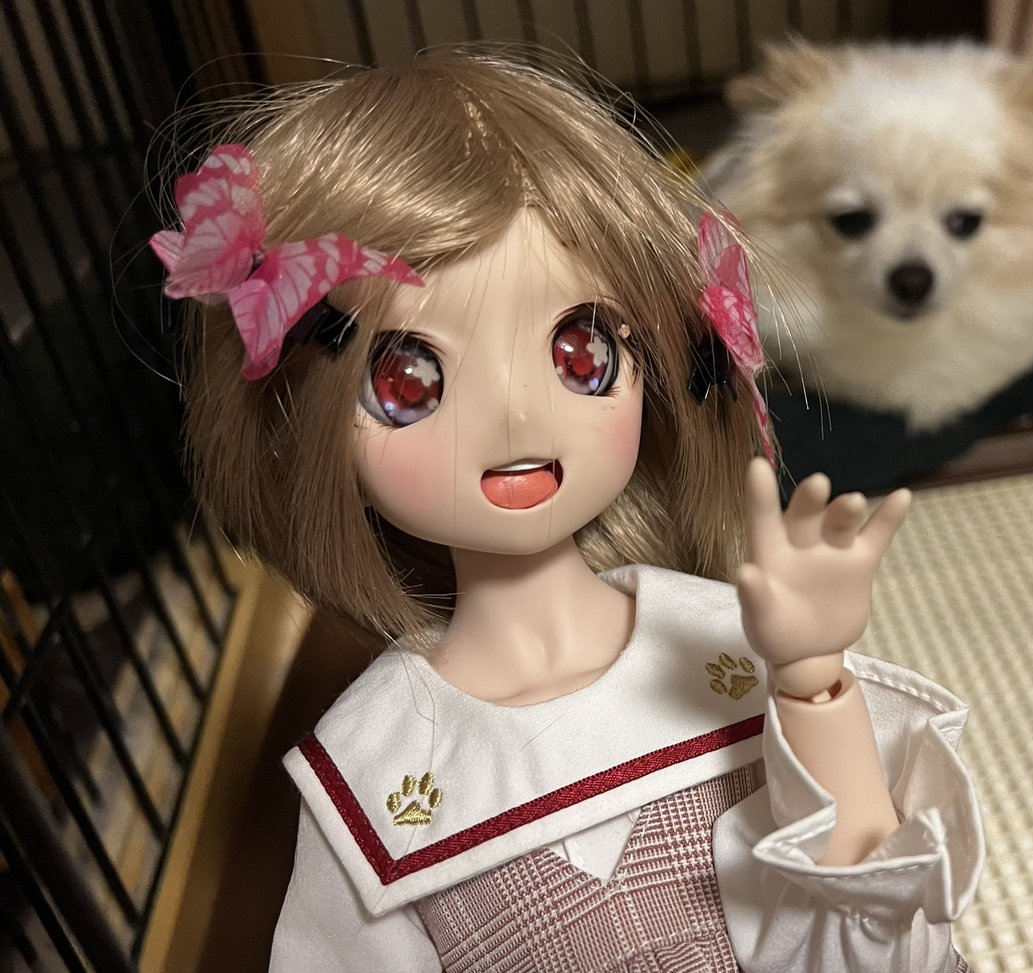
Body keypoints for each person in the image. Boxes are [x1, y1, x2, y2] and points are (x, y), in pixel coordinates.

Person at [155, 47, 982, 972]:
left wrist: (816, 684)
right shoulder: (375, 776)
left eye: (579, 353)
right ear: (302, 422)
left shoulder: (731, 651)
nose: (515, 416)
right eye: (408, 379)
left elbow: (880, 937)